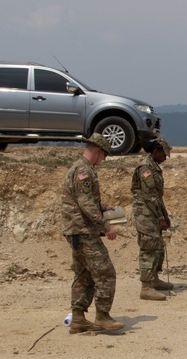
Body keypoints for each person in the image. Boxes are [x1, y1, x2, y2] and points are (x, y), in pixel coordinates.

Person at [60, 133, 125, 333]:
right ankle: (103, 316)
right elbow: (86, 204)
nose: (103, 160)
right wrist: (106, 227)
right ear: (97, 151)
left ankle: (78, 318)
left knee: (84, 275)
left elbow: (85, 201)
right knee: (105, 273)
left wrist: (104, 208)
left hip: (76, 231)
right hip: (84, 231)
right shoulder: (83, 171)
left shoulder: (79, 169)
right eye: (104, 155)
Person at [131, 136, 173, 301]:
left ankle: (154, 279)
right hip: (146, 214)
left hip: (153, 213)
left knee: (157, 247)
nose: (165, 158)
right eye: (164, 154)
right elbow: (149, 196)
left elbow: (157, 196)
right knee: (149, 249)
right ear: (156, 151)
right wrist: (159, 217)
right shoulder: (145, 169)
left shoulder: (154, 167)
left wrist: (164, 215)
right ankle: (146, 287)